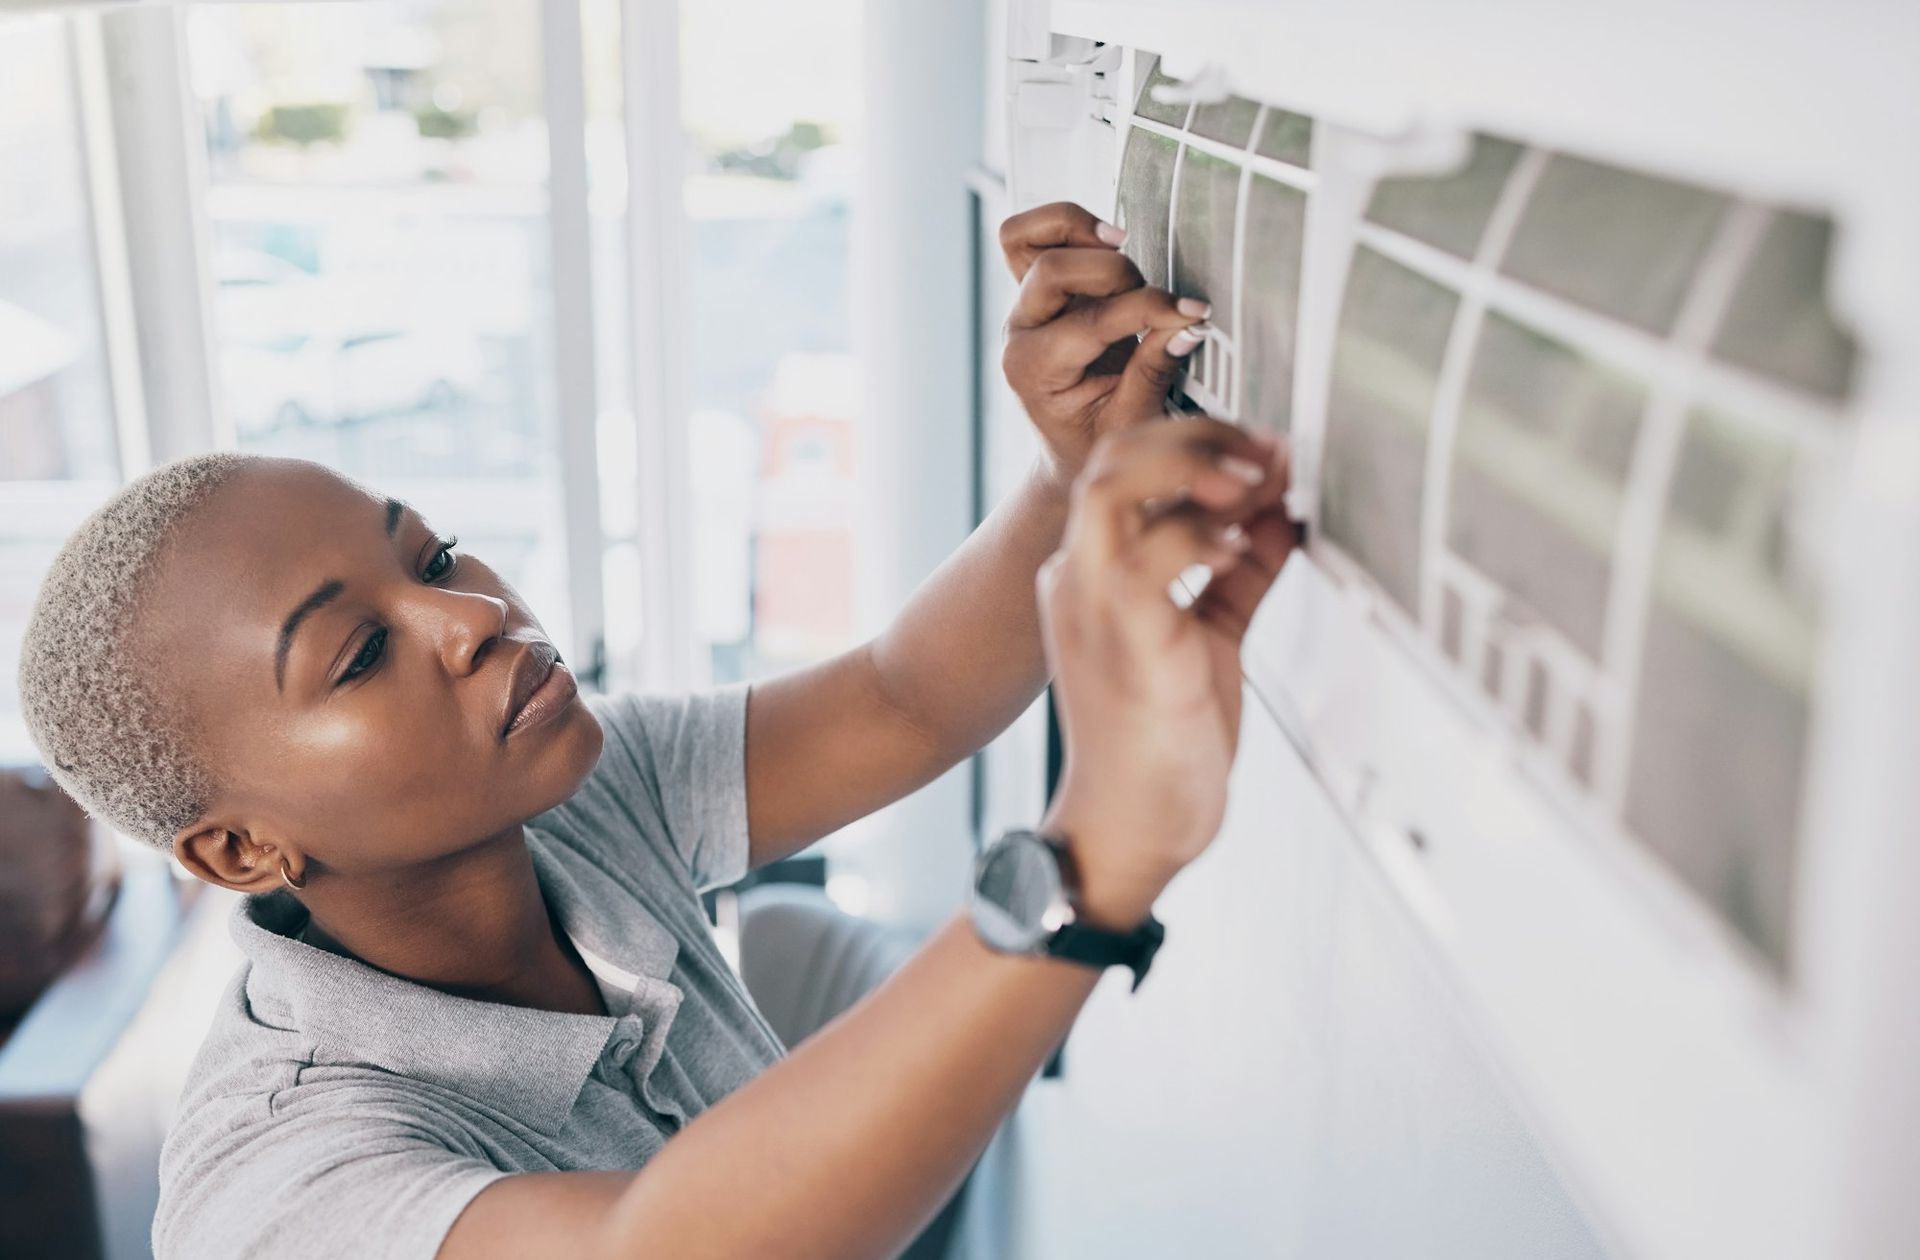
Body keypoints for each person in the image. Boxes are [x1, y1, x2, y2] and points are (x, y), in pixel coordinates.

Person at [16, 204, 1297, 1259]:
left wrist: (1071, 469)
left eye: (437, 554)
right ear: (240, 849)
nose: (471, 617)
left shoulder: (567, 796)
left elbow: (903, 697)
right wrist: (1092, 859)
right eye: (360, 655)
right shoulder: (281, 1189)